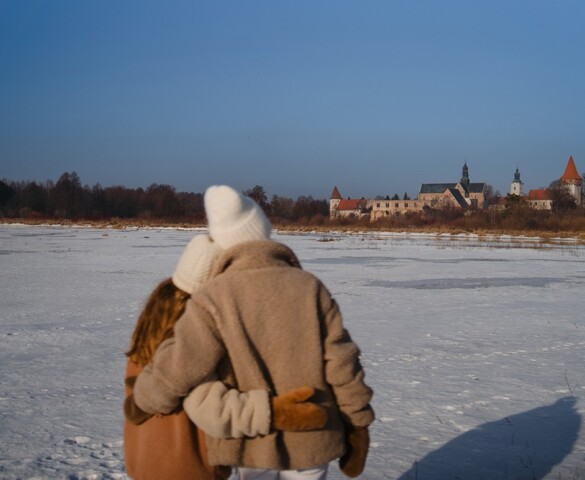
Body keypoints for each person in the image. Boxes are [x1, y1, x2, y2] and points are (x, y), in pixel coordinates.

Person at [130, 185, 375, 479]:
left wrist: (145, 399)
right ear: (263, 230)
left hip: (255, 445)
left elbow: (183, 362)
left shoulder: (214, 297)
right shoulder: (310, 287)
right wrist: (357, 423)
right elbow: (342, 362)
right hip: (313, 435)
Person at [124, 233, 327, 480]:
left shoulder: (156, 313)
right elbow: (215, 408)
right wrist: (278, 411)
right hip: (191, 469)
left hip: (143, 463)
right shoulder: (196, 332)